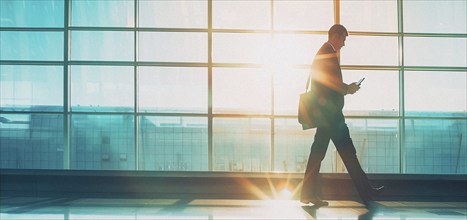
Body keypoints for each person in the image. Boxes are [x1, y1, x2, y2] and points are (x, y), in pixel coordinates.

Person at [300, 24, 384, 207]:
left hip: (326, 115)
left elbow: (327, 83)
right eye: (344, 39)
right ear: (336, 36)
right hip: (331, 116)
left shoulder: (324, 52)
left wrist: (346, 88)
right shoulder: (327, 53)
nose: (344, 44)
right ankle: (366, 192)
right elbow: (330, 83)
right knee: (347, 153)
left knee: (319, 154)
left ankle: (308, 194)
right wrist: (348, 89)